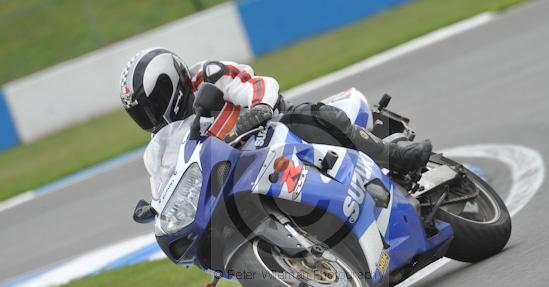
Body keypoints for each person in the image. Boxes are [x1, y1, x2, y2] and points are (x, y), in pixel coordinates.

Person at [119, 48, 432, 175]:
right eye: (141, 114)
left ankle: (396, 159)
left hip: (277, 133)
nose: (151, 118)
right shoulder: (163, 143)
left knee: (309, 117)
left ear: (170, 86)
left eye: (152, 105)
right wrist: (160, 206)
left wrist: (259, 109)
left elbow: (259, 85)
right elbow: (170, 176)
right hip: (241, 171)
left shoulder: (209, 74)